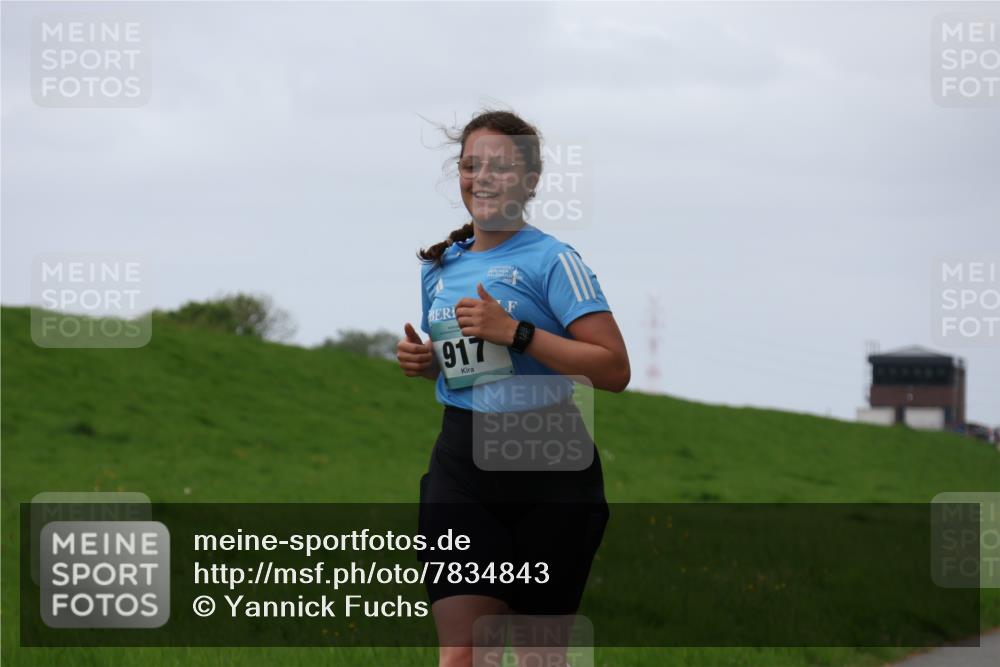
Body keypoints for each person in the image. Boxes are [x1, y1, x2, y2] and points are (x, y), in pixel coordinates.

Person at [396, 109, 630, 667]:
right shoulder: (439, 265)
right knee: (463, 654)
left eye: (499, 167)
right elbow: (475, 366)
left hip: (549, 466)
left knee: (536, 658)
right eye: (470, 165)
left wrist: (518, 332)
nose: (481, 178)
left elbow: (613, 368)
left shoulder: (555, 261)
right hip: (462, 465)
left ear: (529, 181)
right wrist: (427, 362)